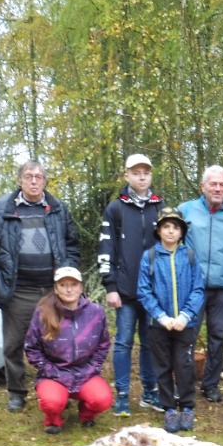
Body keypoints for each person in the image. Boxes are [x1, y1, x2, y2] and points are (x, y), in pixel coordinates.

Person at [0, 160, 80, 413]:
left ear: (45, 180)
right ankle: (16, 392)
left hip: (52, 290)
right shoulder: (0, 209)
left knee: (57, 341)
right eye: (29, 176)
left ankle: (59, 388)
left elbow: (71, 244)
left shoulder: (58, 208)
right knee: (13, 344)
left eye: (39, 177)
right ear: (19, 180)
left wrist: (68, 276)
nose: (34, 181)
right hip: (17, 290)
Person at [179, 165, 223, 403]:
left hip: (222, 286)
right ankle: (184, 384)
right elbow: (172, 245)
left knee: (217, 336)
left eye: (222, 184)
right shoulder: (186, 210)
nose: (218, 188)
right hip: (192, 287)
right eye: (213, 184)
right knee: (187, 335)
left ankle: (210, 385)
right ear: (203, 187)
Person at [98, 153, 163, 416]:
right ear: (127, 176)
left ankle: (149, 392)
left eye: (145, 172)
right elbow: (105, 248)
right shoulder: (116, 208)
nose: (141, 176)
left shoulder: (161, 207)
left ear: (151, 175)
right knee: (124, 341)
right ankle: (122, 395)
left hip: (154, 293)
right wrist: (110, 286)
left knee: (150, 344)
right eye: (136, 172)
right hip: (124, 292)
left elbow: (172, 247)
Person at [138, 207, 206, 433]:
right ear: (158, 230)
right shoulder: (150, 256)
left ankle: (187, 406)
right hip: (159, 325)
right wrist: (161, 316)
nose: (170, 231)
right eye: (166, 226)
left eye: (175, 227)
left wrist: (186, 315)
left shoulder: (189, 256)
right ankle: (169, 408)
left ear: (181, 231)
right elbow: (144, 291)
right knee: (163, 365)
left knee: (184, 364)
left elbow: (198, 289)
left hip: (185, 324)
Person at [24, 267, 113, 434]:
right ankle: (53, 420)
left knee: (103, 400)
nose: (69, 289)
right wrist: (52, 371)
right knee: (51, 401)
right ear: (56, 289)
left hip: (86, 373)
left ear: (81, 287)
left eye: (73, 284)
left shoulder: (96, 312)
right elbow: (32, 348)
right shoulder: (43, 313)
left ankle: (86, 413)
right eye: (63, 285)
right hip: (54, 374)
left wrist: (91, 368)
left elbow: (103, 344)